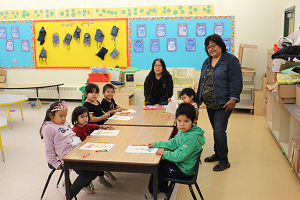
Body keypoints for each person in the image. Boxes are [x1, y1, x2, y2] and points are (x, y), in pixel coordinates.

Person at [196, 34, 243, 171]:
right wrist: (197, 100)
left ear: (220, 45)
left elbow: (237, 80)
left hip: (224, 103)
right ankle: (217, 153)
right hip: (210, 103)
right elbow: (201, 82)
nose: (211, 49)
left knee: (219, 131)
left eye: (213, 46)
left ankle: (224, 160)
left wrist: (233, 98)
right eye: (208, 47)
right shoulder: (207, 61)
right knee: (216, 130)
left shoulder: (230, 60)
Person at [40, 101, 101, 199]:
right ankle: (69, 195)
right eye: (61, 116)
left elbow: (72, 138)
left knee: (98, 167)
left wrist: (84, 142)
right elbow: (49, 147)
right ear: (51, 115)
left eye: (65, 116)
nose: (64, 119)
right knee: (85, 175)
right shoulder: (48, 128)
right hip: (67, 157)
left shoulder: (65, 123)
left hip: (78, 151)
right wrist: (54, 162)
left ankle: (83, 184)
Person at [145, 103, 205, 199]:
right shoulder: (184, 131)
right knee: (161, 163)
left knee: (158, 170)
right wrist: (156, 144)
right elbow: (173, 143)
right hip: (182, 163)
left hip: (184, 170)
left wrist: (165, 153)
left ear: (193, 121)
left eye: (186, 121)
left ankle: (153, 194)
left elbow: (180, 156)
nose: (181, 124)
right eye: (179, 120)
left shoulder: (191, 138)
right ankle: (164, 189)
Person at [71, 106, 116, 187]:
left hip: (89, 151)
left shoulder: (85, 125)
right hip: (81, 155)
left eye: (86, 116)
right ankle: (84, 184)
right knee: (99, 162)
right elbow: (76, 146)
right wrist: (85, 141)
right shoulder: (75, 130)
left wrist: (102, 126)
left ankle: (92, 180)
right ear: (75, 118)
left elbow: (93, 126)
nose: (85, 119)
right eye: (82, 117)